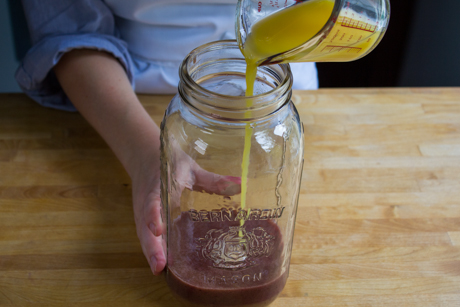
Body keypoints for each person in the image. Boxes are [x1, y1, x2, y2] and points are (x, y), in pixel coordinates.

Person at [16, 0, 319, 276]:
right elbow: (66, 30)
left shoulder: (285, 128)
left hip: (276, 92)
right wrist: (147, 156)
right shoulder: (174, 121)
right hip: (126, 97)